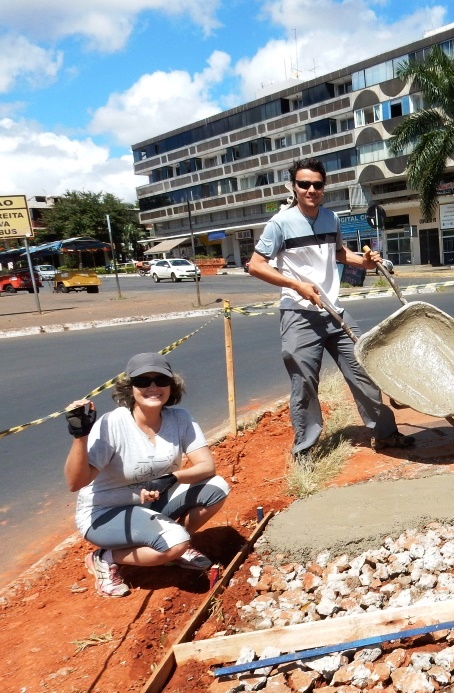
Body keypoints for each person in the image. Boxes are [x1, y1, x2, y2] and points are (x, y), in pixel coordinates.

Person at [247, 158, 414, 456]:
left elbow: (339, 253)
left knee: (364, 367)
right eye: (304, 184)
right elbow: (256, 266)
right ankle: (306, 449)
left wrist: (367, 262)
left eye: (317, 185)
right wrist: (297, 285)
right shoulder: (280, 223)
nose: (311, 189)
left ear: (324, 187)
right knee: (305, 384)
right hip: (298, 313)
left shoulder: (331, 219)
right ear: (293, 187)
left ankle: (384, 433)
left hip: (334, 309)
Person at [64, 353, 231, 598]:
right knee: (175, 543)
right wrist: (80, 437)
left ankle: (173, 544)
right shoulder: (113, 424)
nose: (153, 387)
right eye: (143, 381)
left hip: (149, 503)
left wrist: (171, 478)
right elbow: (75, 483)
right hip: (105, 512)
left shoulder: (180, 419)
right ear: (129, 387)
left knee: (217, 488)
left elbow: (207, 467)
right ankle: (105, 557)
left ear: (171, 386)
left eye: (160, 380)